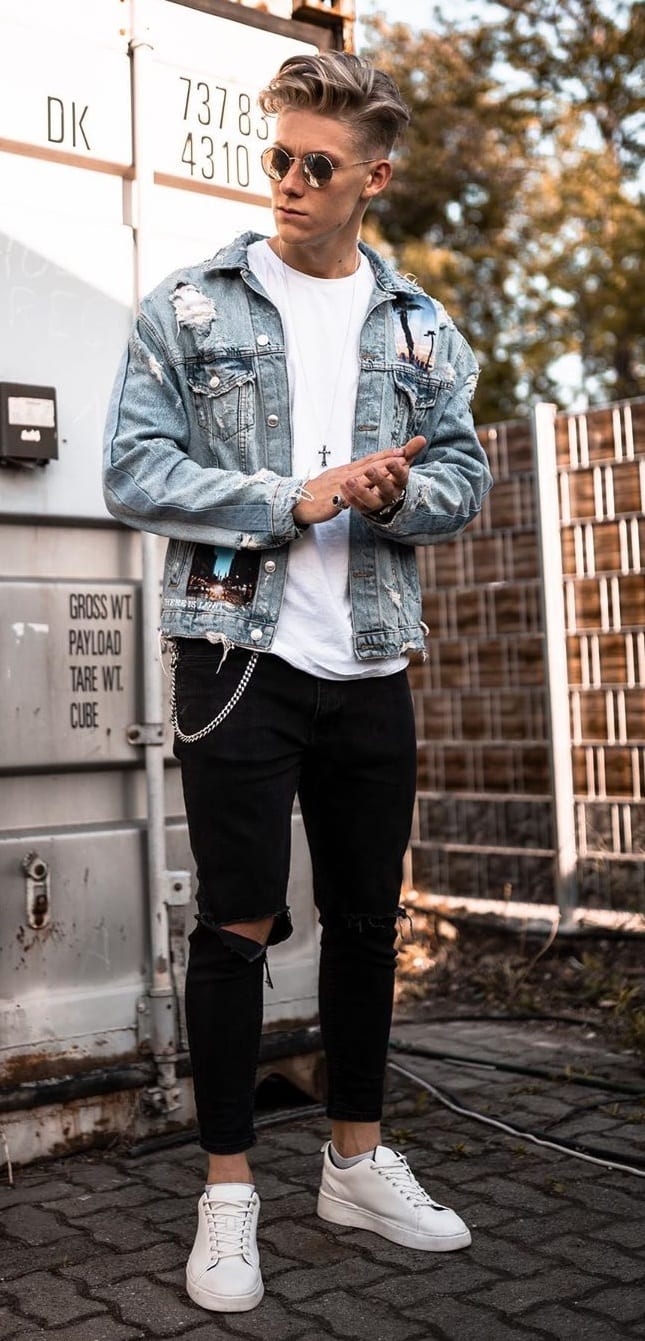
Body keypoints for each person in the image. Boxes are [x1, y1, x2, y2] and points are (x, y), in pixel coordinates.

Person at [104, 50, 492, 1315]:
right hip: (238, 653)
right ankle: (228, 1196)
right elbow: (133, 470)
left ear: (371, 177)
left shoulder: (420, 326)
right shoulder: (195, 305)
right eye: (276, 156)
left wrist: (394, 495)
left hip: (370, 656)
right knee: (238, 923)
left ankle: (357, 1162)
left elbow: (466, 481)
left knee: (370, 925)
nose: (287, 180)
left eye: (316, 164)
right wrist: (291, 498)